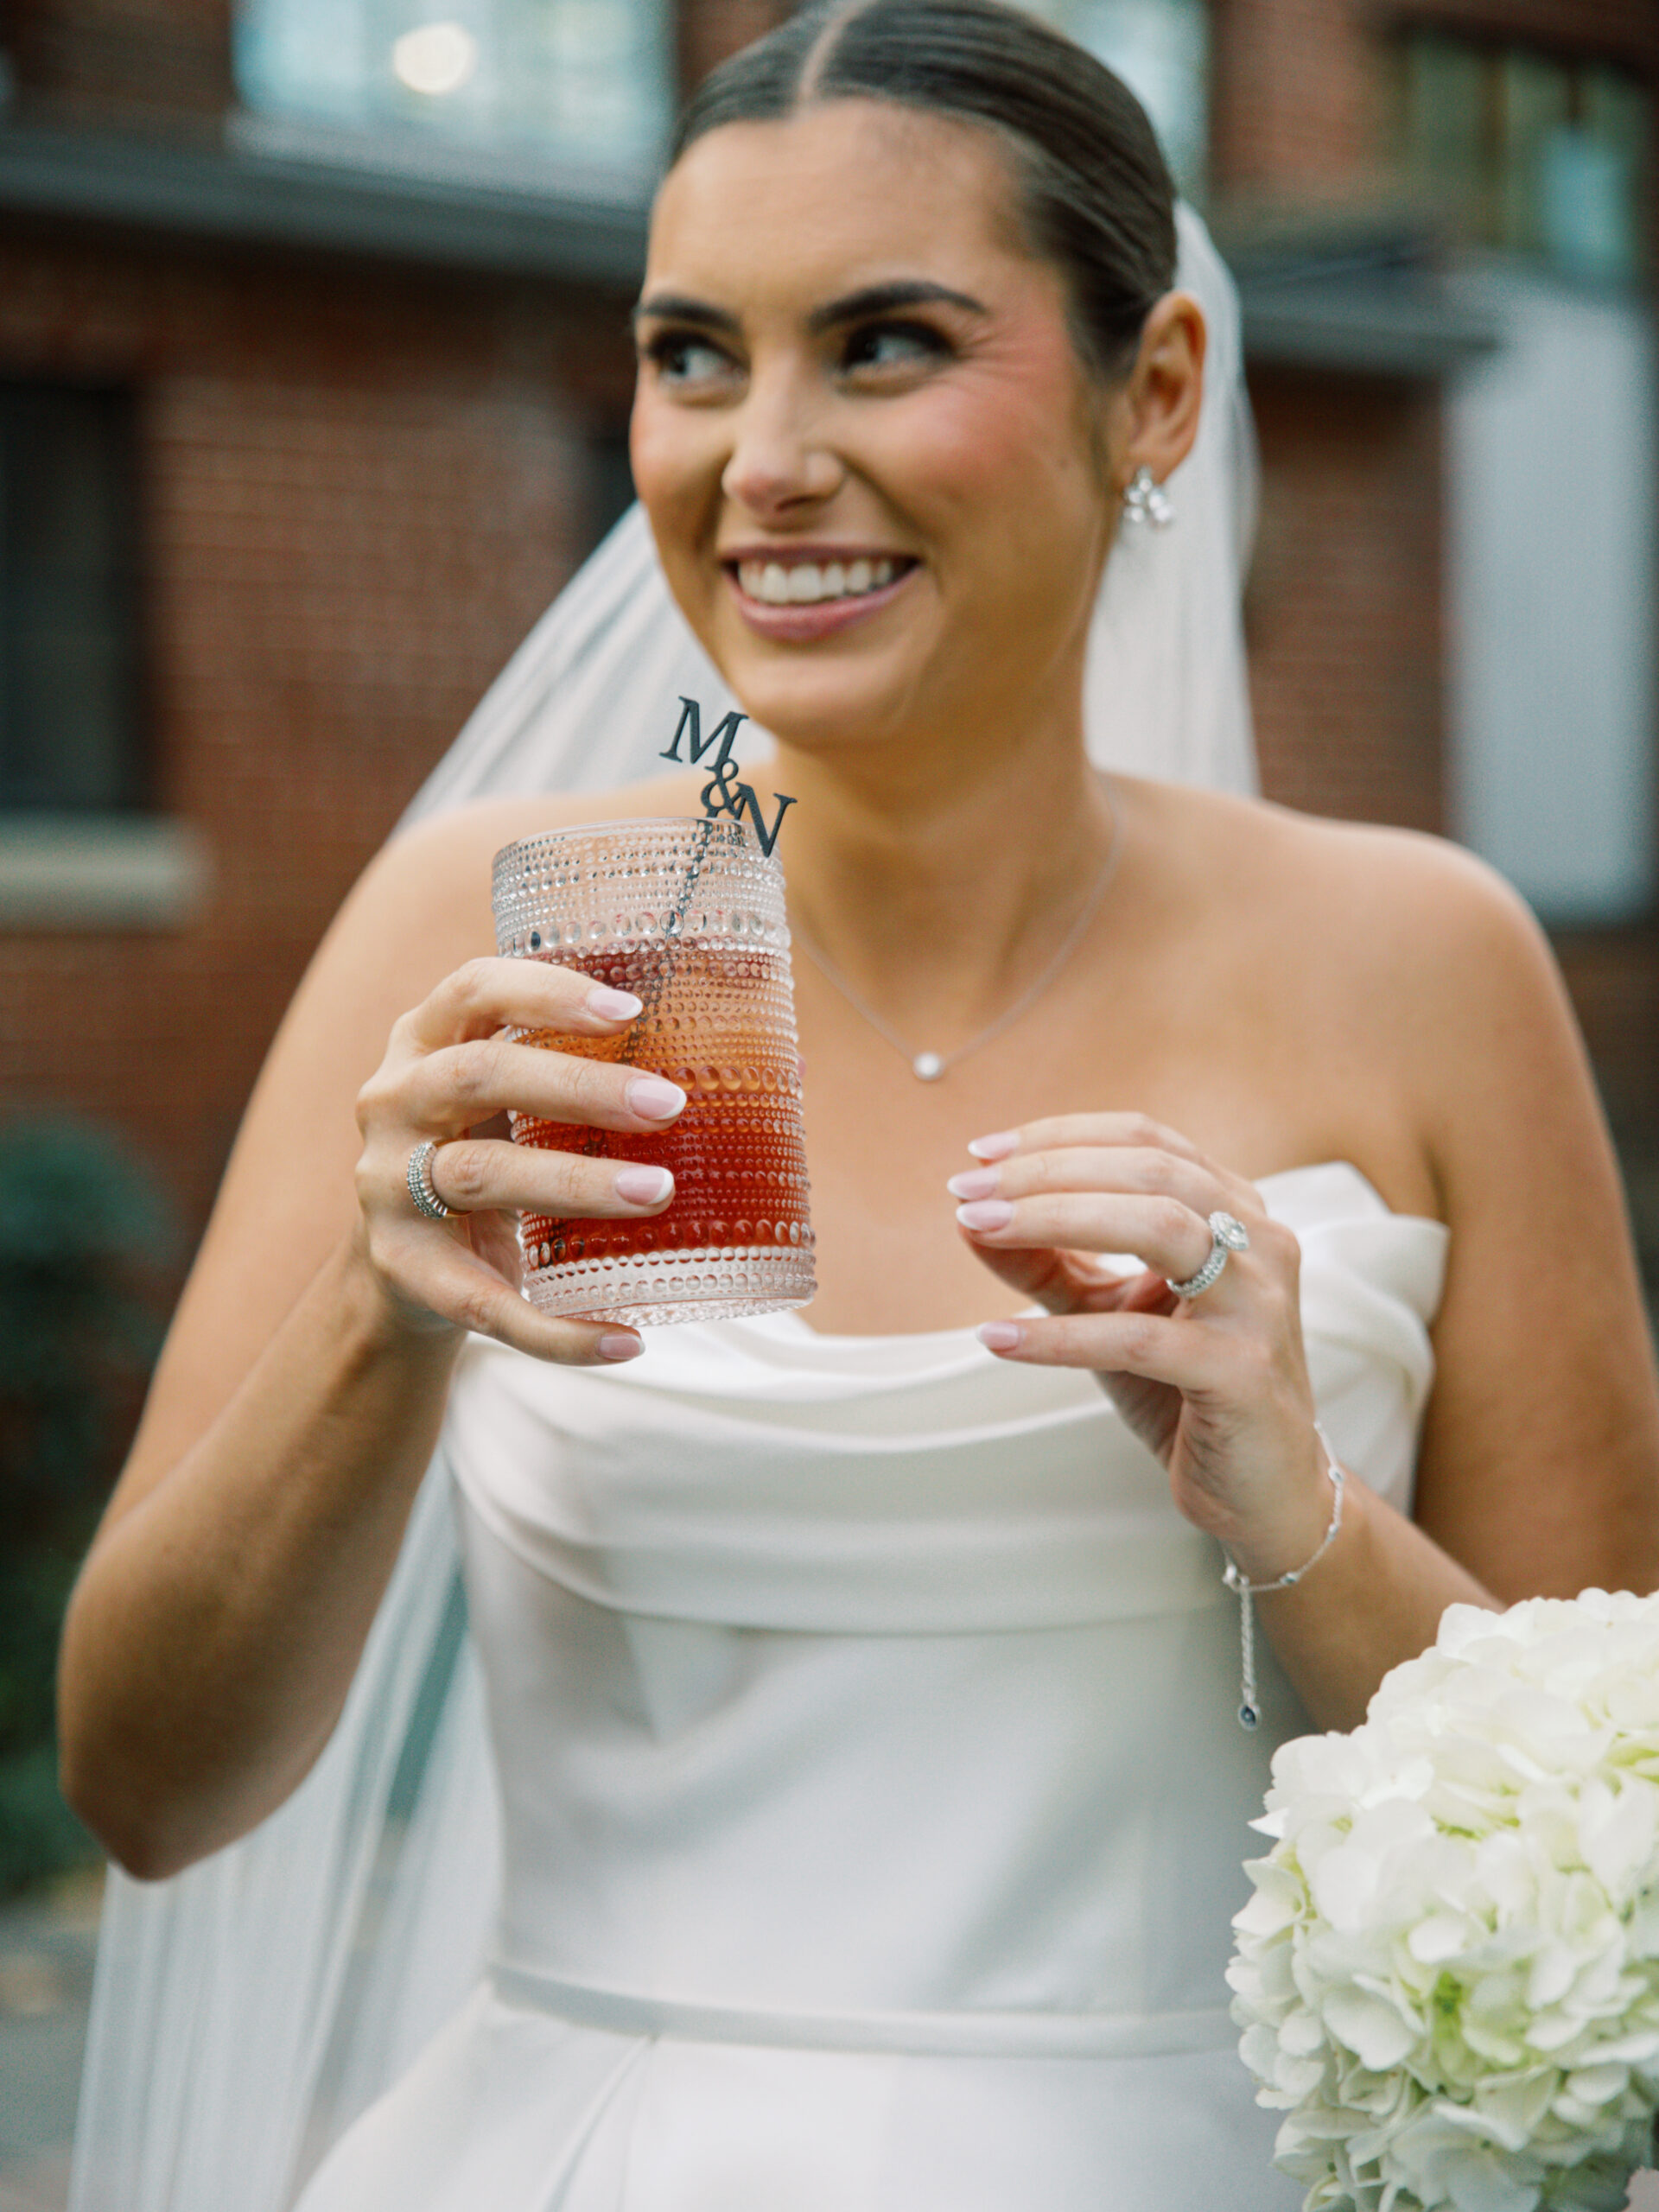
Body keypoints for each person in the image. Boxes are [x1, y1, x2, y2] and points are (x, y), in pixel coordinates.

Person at [59, 3, 1659, 2207]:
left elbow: (1612, 1836)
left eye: (886, 344)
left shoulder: (1425, 959)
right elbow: (146, 1788)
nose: (764, 459)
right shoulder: (490, 932)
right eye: (693, 355)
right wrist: (374, 1314)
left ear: (1155, 389)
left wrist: (1302, 1513)